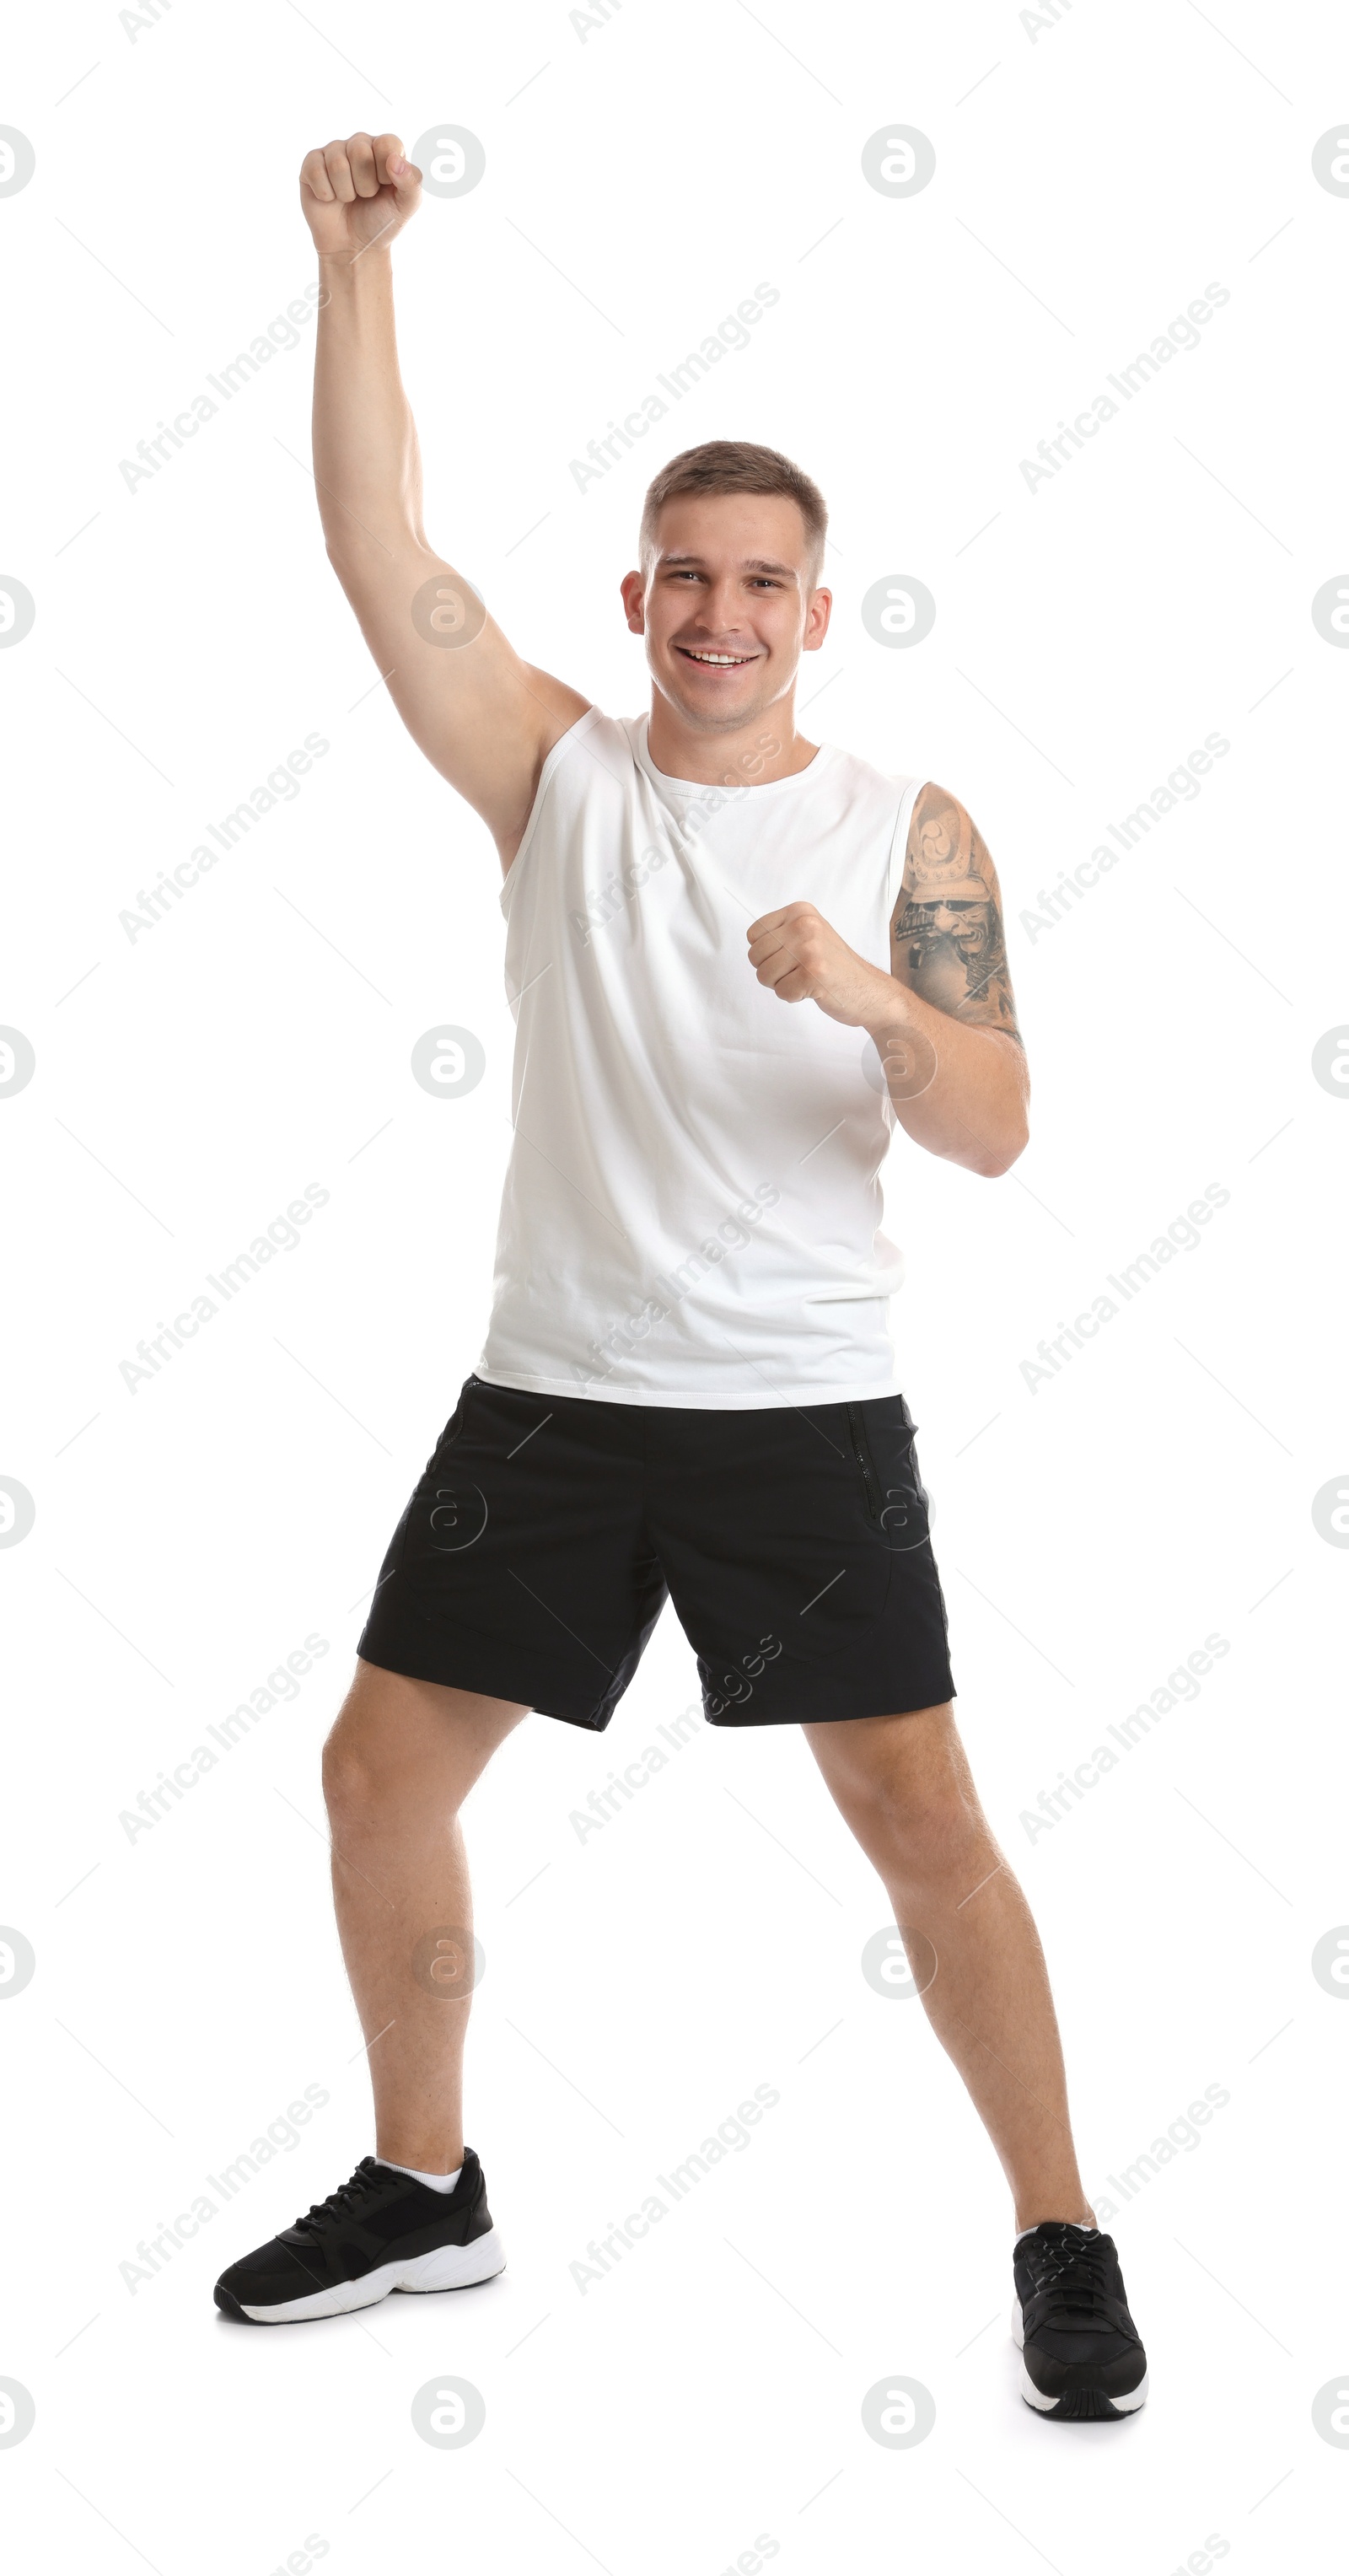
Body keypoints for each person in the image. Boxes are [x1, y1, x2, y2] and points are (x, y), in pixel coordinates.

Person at [214, 132, 1147, 2423]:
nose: (721, 613)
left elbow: (999, 1125)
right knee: (371, 1779)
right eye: (684, 579)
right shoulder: (556, 776)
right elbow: (377, 549)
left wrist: (872, 999)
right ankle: (426, 2186)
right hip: (551, 1391)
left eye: (763, 582)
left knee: (920, 1820)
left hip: (797, 1409)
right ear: (635, 604)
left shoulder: (907, 833)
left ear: (820, 614)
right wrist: (350, 270)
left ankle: (1064, 2229)